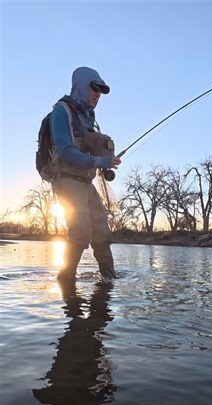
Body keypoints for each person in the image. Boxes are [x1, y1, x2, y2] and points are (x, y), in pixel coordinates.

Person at [50, 66, 121, 284]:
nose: (98, 94)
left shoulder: (89, 118)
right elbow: (66, 151)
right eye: (94, 88)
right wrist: (97, 161)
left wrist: (106, 158)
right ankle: (66, 281)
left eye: (101, 91)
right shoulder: (61, 111)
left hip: (87, 183)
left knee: (101, 230)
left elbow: (91, 149)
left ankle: (109, 279)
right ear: (81, 86)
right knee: (80, 231)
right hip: (67, 181)